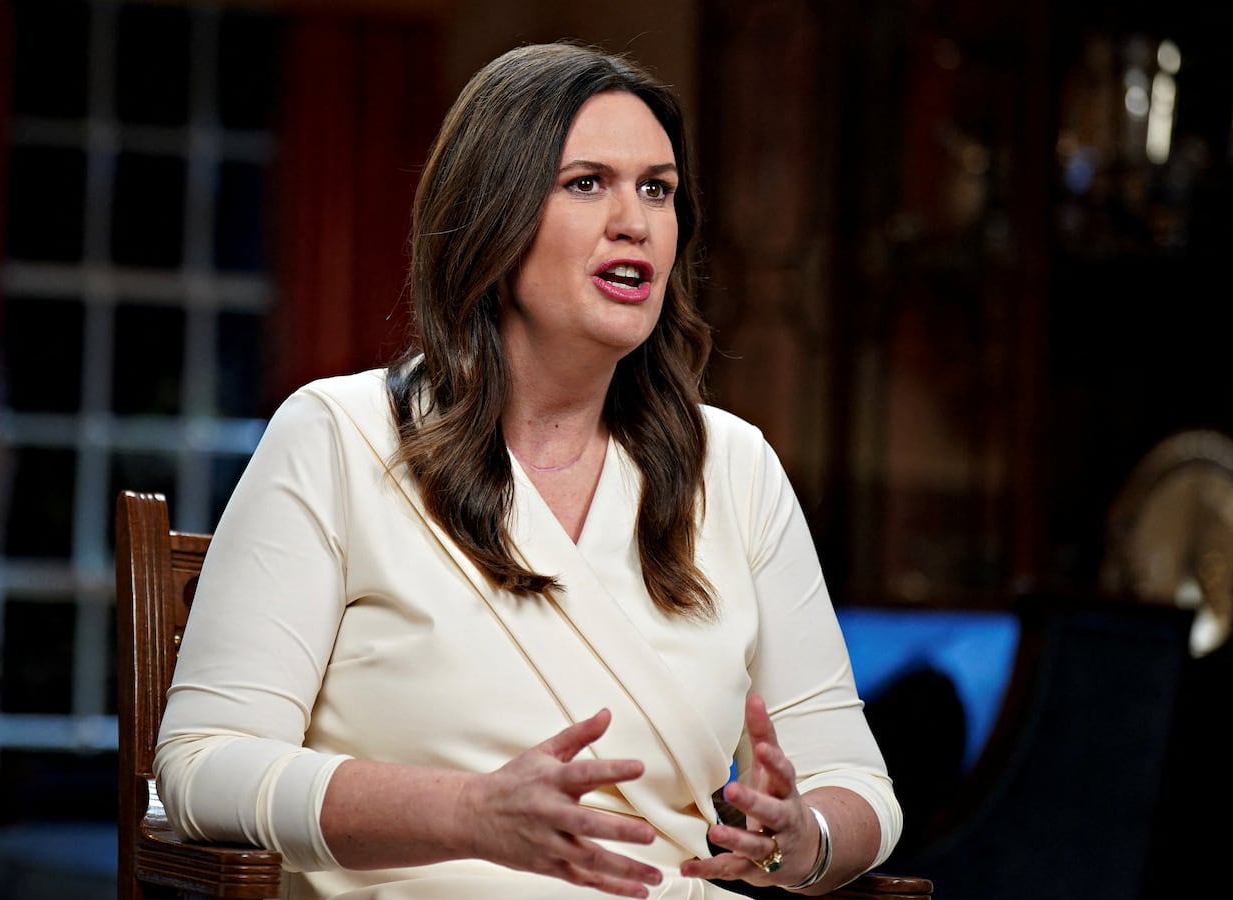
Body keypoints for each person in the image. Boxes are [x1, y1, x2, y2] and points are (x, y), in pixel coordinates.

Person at [154, 40, 902, 899]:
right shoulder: (339, 435)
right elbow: (201, 769)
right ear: (492, 216)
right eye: (588, 183)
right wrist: (466, 813)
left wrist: (796, 842)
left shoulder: (733, 467)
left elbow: (864, 794)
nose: (636, 221)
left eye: (657, 188)